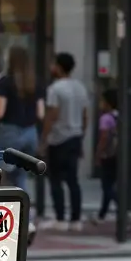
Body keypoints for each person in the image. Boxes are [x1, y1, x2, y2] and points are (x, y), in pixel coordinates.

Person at [42, 52, 90, 231]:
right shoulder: (80, 87)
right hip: (75, 137)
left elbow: (52, 115)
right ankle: (76, 220)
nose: (51, 67)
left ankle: (61, 218)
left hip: (58, 140)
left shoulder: (55, 89)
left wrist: (44, 140)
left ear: (59, 67)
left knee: (55, 180)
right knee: (73, 181)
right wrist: (81, 135)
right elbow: (86, 115)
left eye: (53, 64)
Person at [0, 45, 43, 210]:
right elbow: (41, 113)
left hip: (10, 132)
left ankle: (5, 213)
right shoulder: (35, 82)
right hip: (30, 133)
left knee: (1, 175)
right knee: (21, 176)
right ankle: (25, 216)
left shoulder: (5, 82)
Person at [96, 87, 119, 221]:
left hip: (107, 155)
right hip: (117, 155)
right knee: (109, 184)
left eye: (102, 101)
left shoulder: (105, 118)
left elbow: (104, 137)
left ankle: (120, 205)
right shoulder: (118, 116)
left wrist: (98, 153)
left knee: (106, 186)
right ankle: (102, 213)